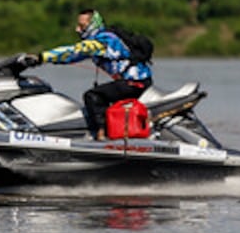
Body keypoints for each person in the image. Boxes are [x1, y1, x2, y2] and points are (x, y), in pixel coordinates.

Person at [21, 8, 152, 140]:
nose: (77, 29)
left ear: (92, 25)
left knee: (92, 96)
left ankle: (102, 135)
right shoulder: (100, 40)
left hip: (134, 82)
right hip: (135, 82)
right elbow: (70, 57)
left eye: (82, 26)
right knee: (105, 98)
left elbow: (74, 51)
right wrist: (40, 61)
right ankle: (119, 131)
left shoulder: (103, 41)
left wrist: (42, 56)